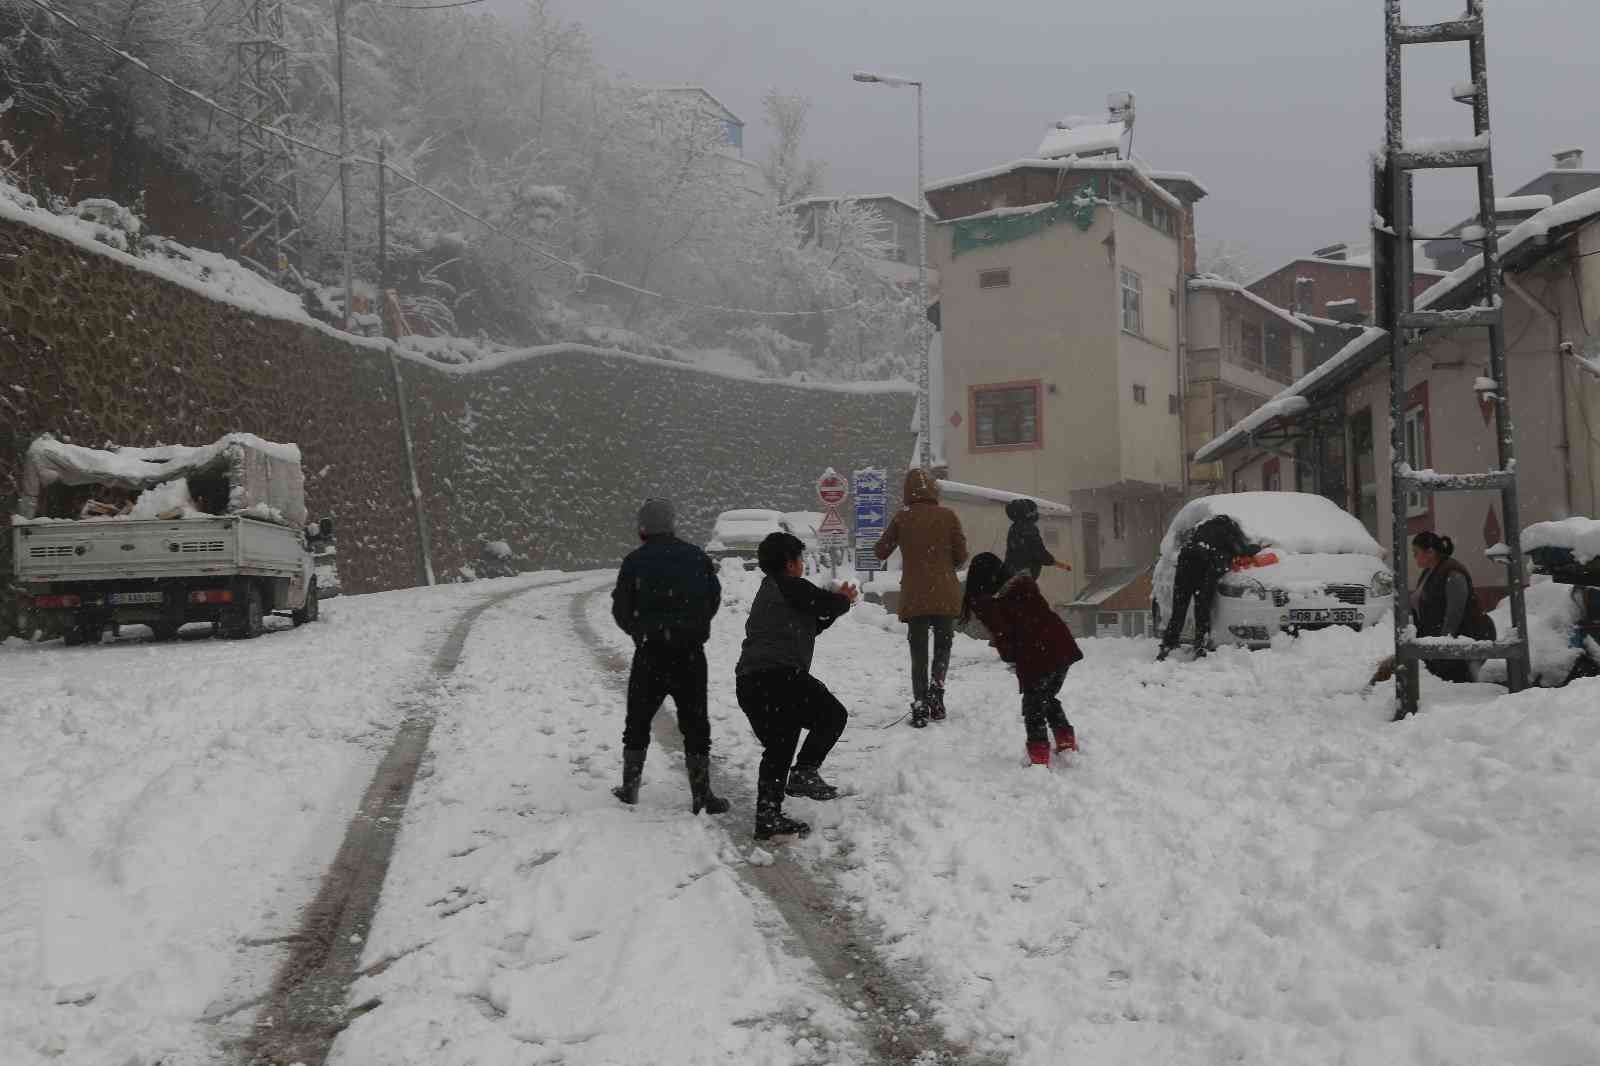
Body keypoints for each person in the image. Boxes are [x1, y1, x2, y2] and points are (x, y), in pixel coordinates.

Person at [735, 532, 858, 841]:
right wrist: (842, 598)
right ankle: (803, 773)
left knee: (779, 747)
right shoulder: (788, 585)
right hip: (778, 677)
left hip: (752, 682)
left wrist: (835, 608)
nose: (802, 565)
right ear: (790, 564)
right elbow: (822, 603)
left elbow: (813, 620)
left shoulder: (773, 591)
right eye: (800, 560)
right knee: (832, 715)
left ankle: (768, 816)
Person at [610, 497, 728, 814]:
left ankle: (630, 789)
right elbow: (713, 599)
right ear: (673, 523)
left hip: (649, 654)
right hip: (690, 654)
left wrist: (640, 632)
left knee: (637, 721)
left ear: (643, 527)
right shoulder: (695, 557)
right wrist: (693, 627)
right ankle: (702, 794)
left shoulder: (634, 561)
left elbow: (620, 609)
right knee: (695, 724)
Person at [961, 553, 1084, 766]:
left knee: (1033, 705)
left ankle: (1038, 755)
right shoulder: (1024, 587)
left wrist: (1011, 656)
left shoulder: (995, 602)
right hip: (1061, 647)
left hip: (1037, 654)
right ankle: (1065, 739)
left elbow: (1003, 634)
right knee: (1045, 698)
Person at [874, 468, 968, 727]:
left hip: (915, 595)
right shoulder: (948, 516)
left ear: (907, 491)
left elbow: (881, 551)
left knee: (918, 652)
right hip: (945, 593)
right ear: (934, 490)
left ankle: (919, 704)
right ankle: (937, 695)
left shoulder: (903, 518)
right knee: (943, 647)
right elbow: (961, 556)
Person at [1156, 512, 1261, 661]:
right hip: (1204, 567)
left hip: (1185, 564)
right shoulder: (1229, 530)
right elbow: (1242, 550)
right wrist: (1256, 548)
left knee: (1179, 608)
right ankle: (1200, 645)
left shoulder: (1204, 528)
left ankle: (1168, 645)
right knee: (1202, 609)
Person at [1410, 530, 1495, 683]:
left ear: (1430, 552)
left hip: (1463, 640)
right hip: (1438, 642)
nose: (1414, 557)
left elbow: (1454, 613)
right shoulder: (1429, 572)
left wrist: (1444, 646)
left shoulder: (1452, 573)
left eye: (1416, 553)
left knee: (1454, 687)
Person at [1004, 498, 1073, 580]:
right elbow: (1038, 550)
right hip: (1024, 575)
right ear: (1028, 514)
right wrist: (1050, 560)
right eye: (1034, 511)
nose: (1037, 513)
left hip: (1011, 572)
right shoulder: (1028, 529)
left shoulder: (1014, 528)